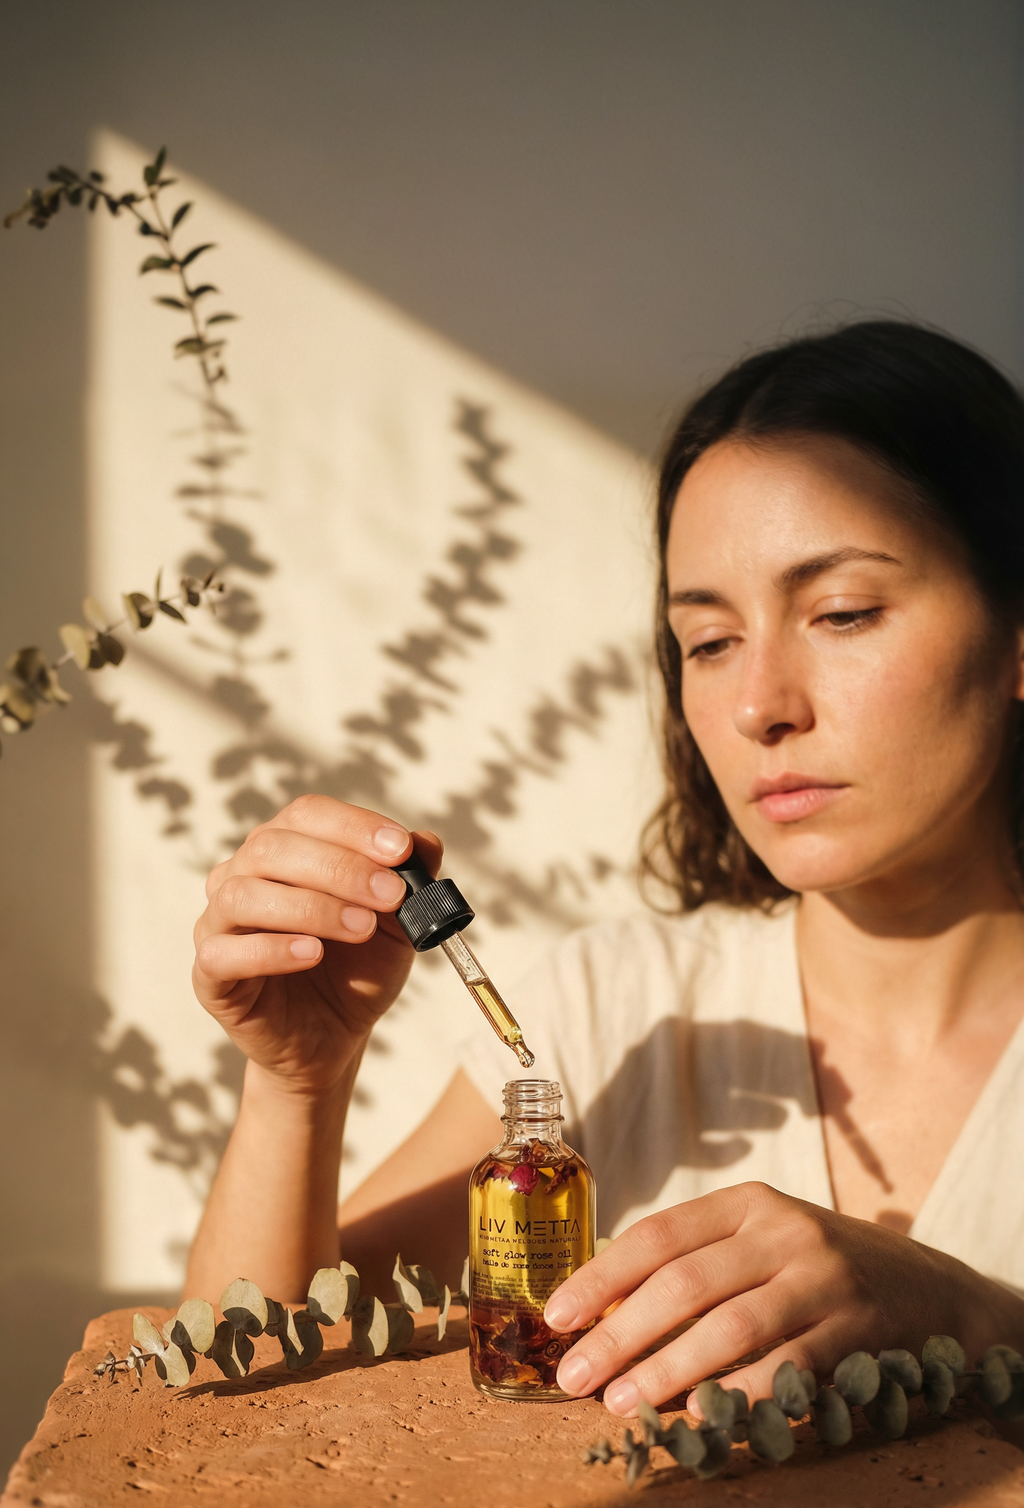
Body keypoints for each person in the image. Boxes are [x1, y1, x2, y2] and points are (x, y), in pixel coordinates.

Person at [185, 319, 1024, 1418]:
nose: (761, 704)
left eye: (842, 612)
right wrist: (297, 1086)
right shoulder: (615, 1016)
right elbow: (240, 1385)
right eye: (709, 641)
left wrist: (973, 1315)